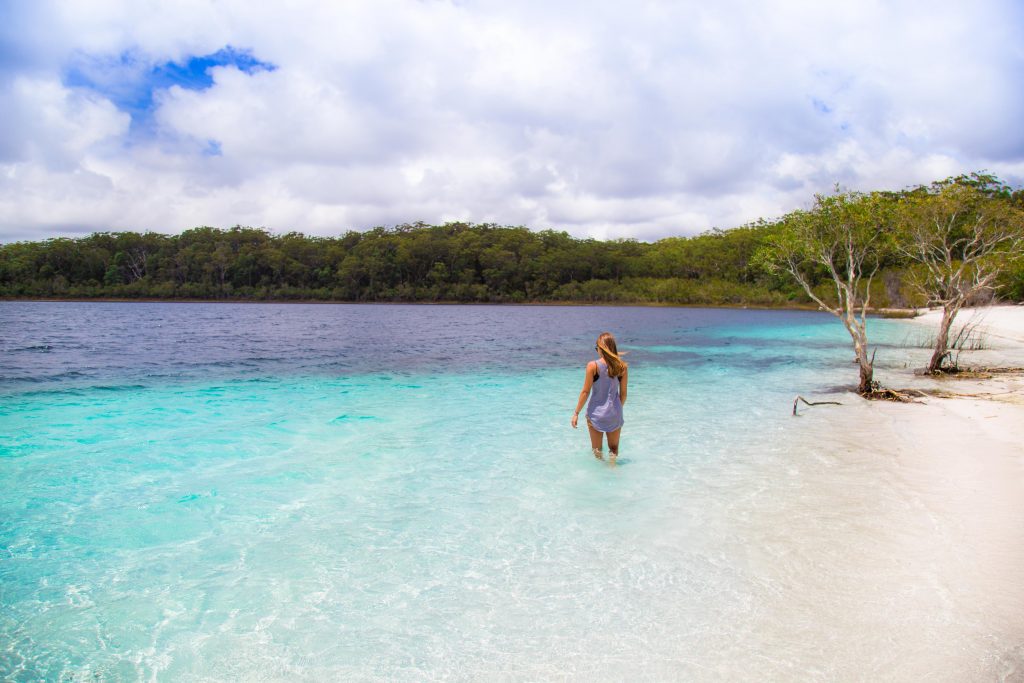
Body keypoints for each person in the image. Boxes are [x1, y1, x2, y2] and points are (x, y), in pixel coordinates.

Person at [571, 332, 628, 463]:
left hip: (596, 414)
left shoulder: (593, 366)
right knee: (613, 450)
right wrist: (616, 408)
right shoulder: (622, 367)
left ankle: (600, 475)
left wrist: (576, 413)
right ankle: (613, 470)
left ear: (601, 349)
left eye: (597, 348)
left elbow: (585, 392)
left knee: (597, 450)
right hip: (615, 414)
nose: (597, 351)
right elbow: (623, 394)